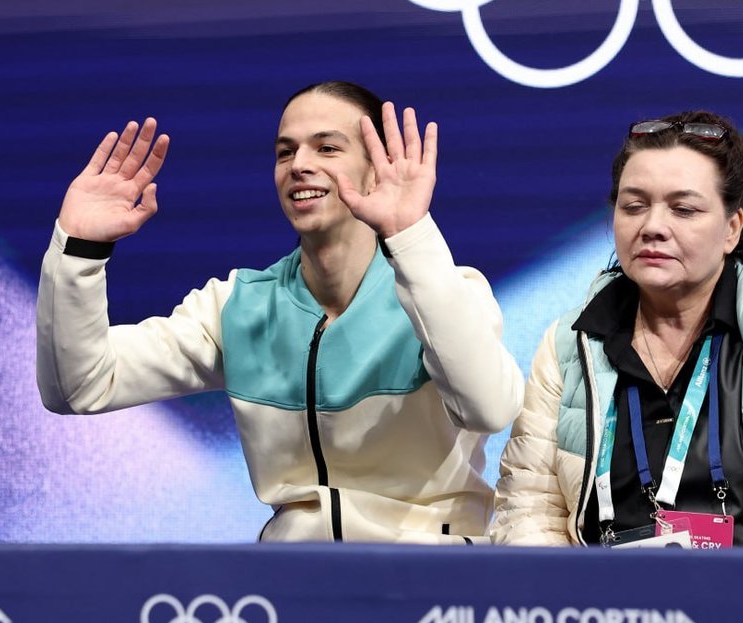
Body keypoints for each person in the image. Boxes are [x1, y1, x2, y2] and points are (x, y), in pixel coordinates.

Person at [36, 81, 523, 544]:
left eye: (327, 148)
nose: (299, 165)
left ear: (377, 169)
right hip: (293, 588)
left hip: (434, 587)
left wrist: (410, 235)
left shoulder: (446, 291)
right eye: (285, 152)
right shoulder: (238, 306)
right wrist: (79, 247)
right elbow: (79, 386)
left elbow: (489, 409)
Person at [490, 111, 743, 548]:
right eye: (633, 206)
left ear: (732, 228)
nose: (652, 227)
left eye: (683, 209)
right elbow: (528, 513)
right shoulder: (570, 346)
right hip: (604, 611)